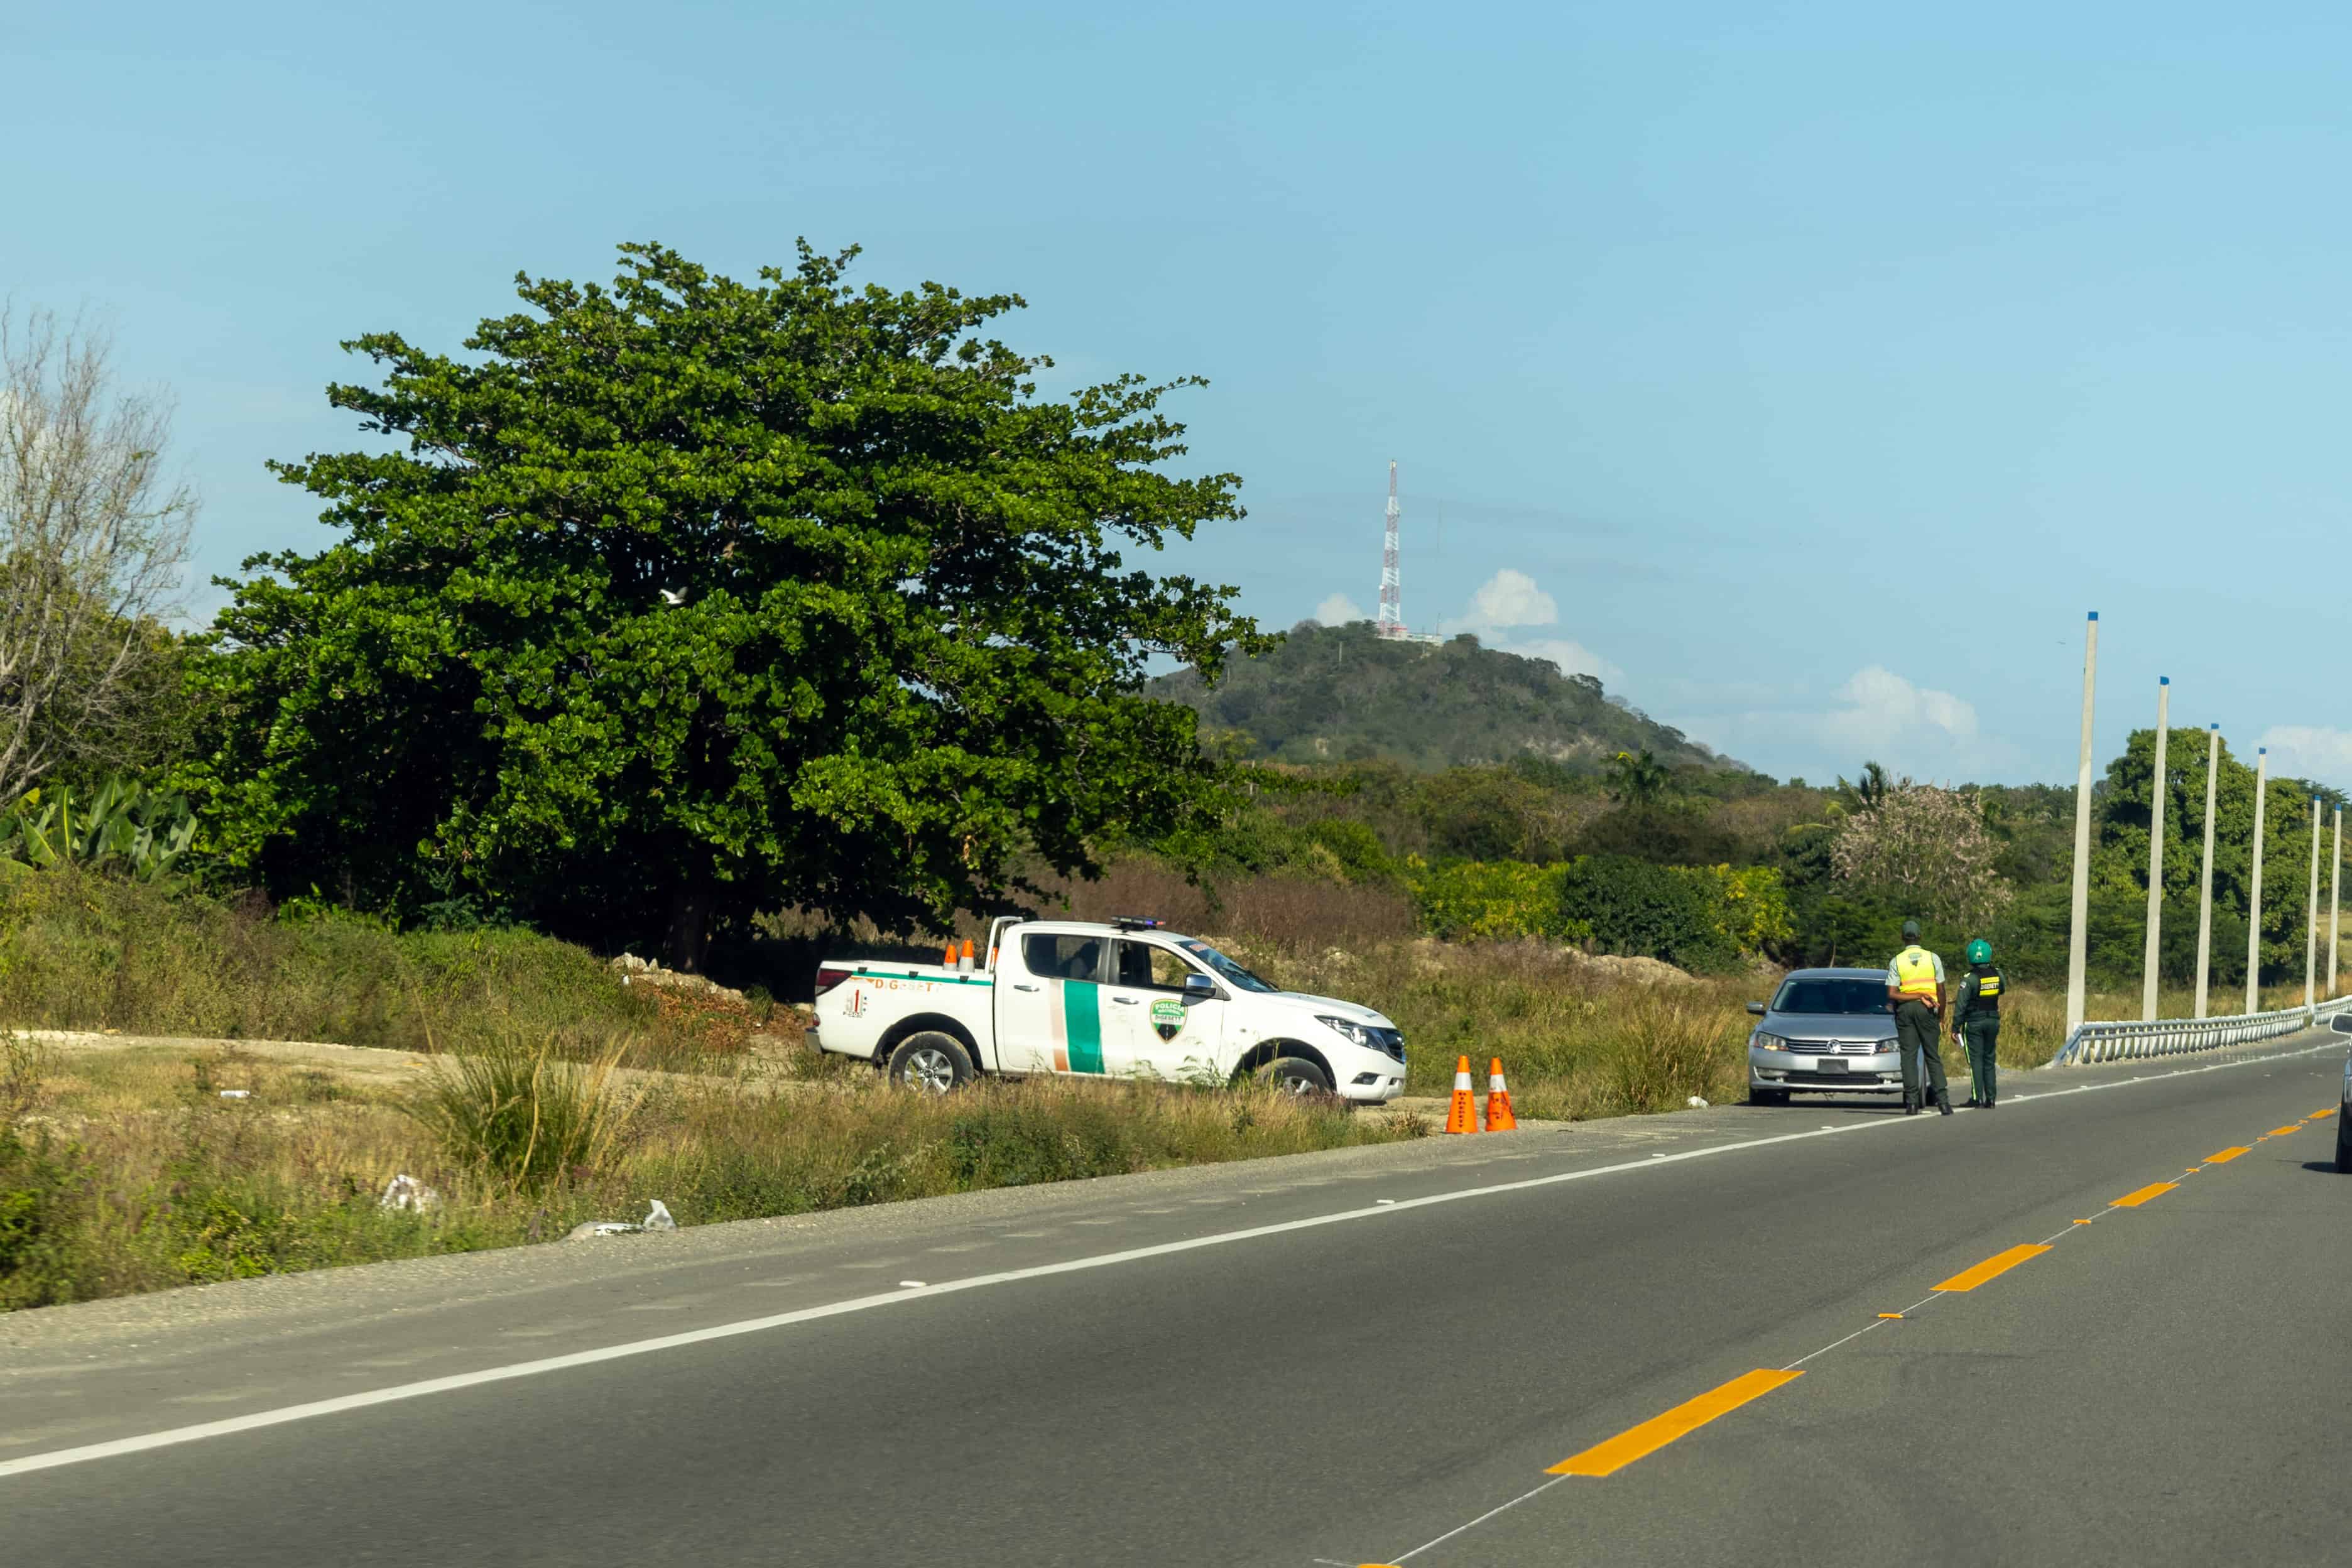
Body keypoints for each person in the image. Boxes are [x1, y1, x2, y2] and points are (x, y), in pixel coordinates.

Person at [1884, 919, 1951, 1116]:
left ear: (1902, 938)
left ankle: (1912, 1103)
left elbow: (1892, 994)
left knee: (1908, 1056)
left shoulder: (1897, 960)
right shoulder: (1933, 958)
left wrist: (1913, 995)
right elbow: (1941, 990)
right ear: (1920, 936)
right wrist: (1941, 1016)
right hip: (1928, 1010)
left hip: (1905, 1011)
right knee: (1933, 1056)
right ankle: (1944, 1103)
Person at [1951, 937, 2005, 1108]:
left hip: (1974, 1023)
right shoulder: (1998, 974)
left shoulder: (1969, 979)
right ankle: (1991, 1098)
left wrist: (1955, 1027)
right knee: (1989, 1058)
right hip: (1993, 1021)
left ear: (1971, 956)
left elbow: (1961, 1005)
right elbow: (2002, 989)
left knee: (1975, 1060)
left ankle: (1976, 1098)